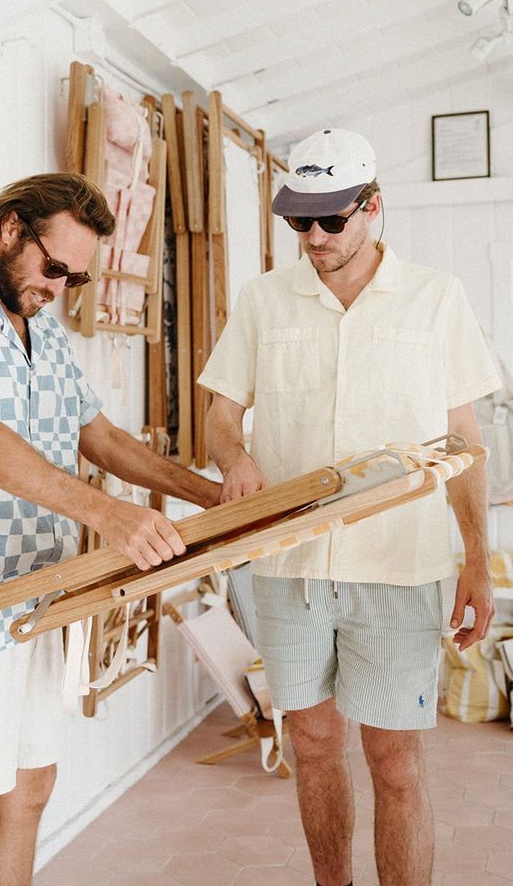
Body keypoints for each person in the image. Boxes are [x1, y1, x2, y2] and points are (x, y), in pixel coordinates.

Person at [0, 171, 221, 886]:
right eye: (54, 266)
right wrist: (106, 512)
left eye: (75, 276)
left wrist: (210, 495)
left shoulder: (45, 332)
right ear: (10, 229)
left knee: (30, 793)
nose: (60, 287)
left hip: (38, 599)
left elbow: (102, 439)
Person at [197, 128, 500, 886]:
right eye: (300, 221)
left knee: (394, 760)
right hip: (293, 564)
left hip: (402, 566)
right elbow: (221, 411)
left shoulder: (437, 298)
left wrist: (477, 563)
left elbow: (464, 442)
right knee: (315, 747)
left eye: (332, 219)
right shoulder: (264, 300)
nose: (315, 237)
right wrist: (235, 459)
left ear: (373, 207)